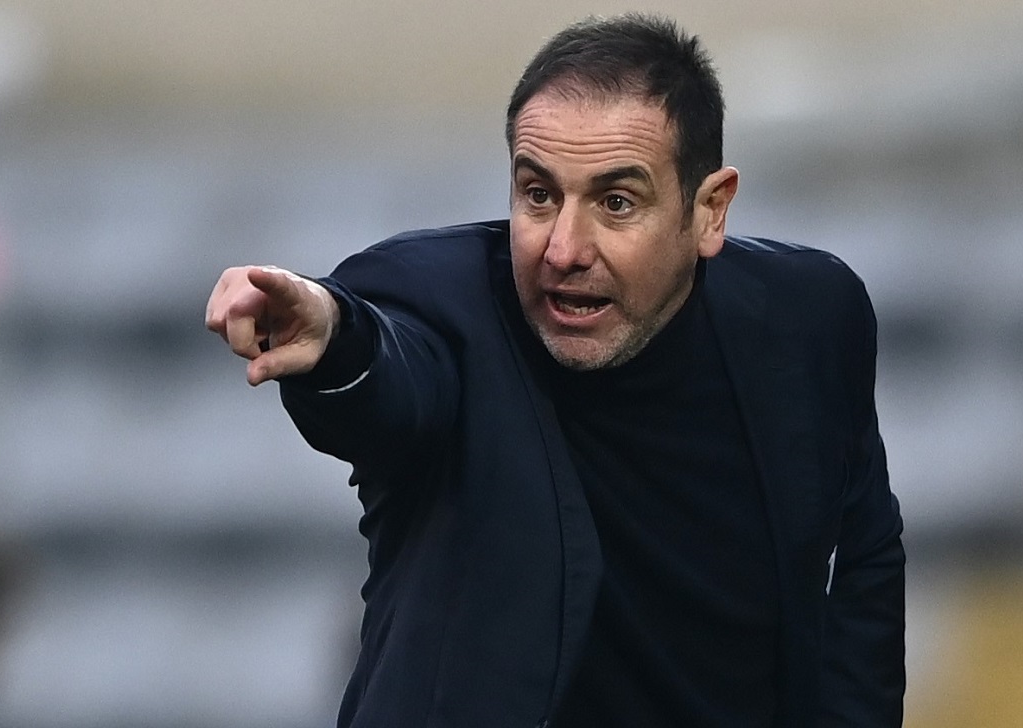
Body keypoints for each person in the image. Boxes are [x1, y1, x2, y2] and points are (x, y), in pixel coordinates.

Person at [205, 13, 904, 728]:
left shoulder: (809, 317)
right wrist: (335, 337)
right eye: (539, 195)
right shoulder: (439, 304)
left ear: (709, 211)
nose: (564, 249)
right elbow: (389, 371)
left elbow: (866, 558)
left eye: (616, 203)